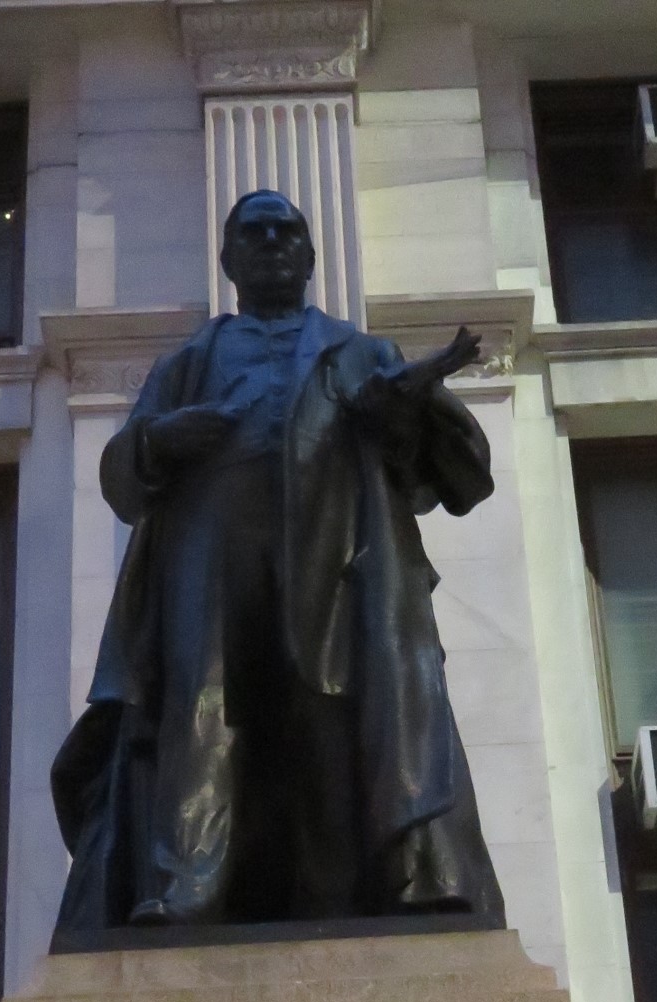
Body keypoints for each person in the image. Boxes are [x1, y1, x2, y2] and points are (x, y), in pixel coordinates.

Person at [49, 189, 505, 937]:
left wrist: (405, 409)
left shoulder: (362, 353)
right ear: (227, 259)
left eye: (285, 230)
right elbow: (122, 477)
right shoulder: (188, 363)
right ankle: (185, 884)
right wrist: (165, 438)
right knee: (203, 717)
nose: (271, 242)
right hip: (211, 567)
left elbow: (446, 472)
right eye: (254, 232)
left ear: (311, 255)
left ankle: (356, 891)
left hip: (338, 564)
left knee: (331, 725)